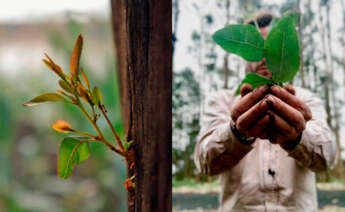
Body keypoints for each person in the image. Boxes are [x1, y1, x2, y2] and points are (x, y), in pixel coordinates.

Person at [193, 12, 338, 212]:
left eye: (272, 48)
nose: (264, 56)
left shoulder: (306, 100)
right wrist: (236, 134)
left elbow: (329, 158)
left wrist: (299, 137)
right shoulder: (222, 102)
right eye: (258, 48)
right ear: (243, 56)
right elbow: (204, 163)